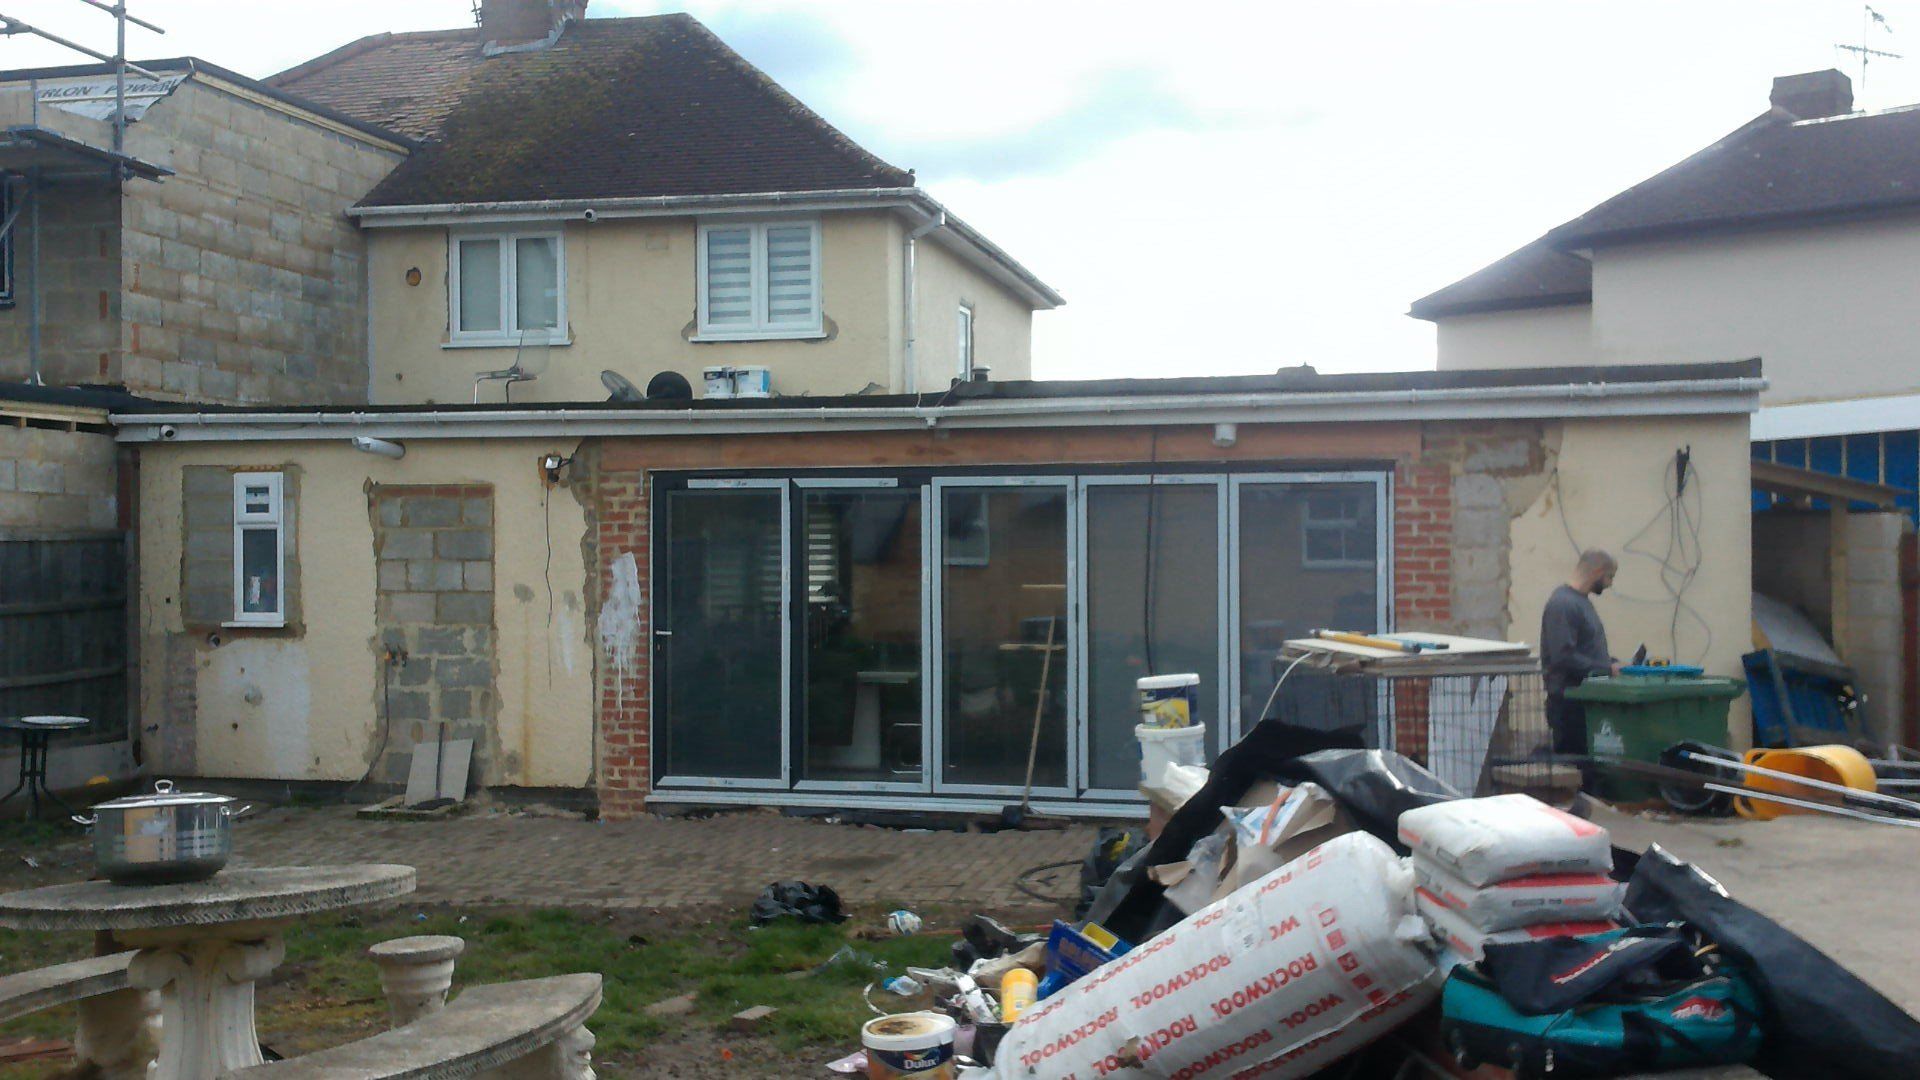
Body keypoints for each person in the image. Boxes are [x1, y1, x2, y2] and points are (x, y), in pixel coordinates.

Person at [1541, 550, 1622, 766]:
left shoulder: (1579, 602)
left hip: (1582, 700)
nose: (1610, 584)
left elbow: (1584, 650)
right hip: (1569, 702)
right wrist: (1606, 669)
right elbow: (1563, 656)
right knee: (1573, 769)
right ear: (1597, 572)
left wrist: (1611, 663)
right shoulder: (1564, 604)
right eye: (1609, 576)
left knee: (1585, 770)